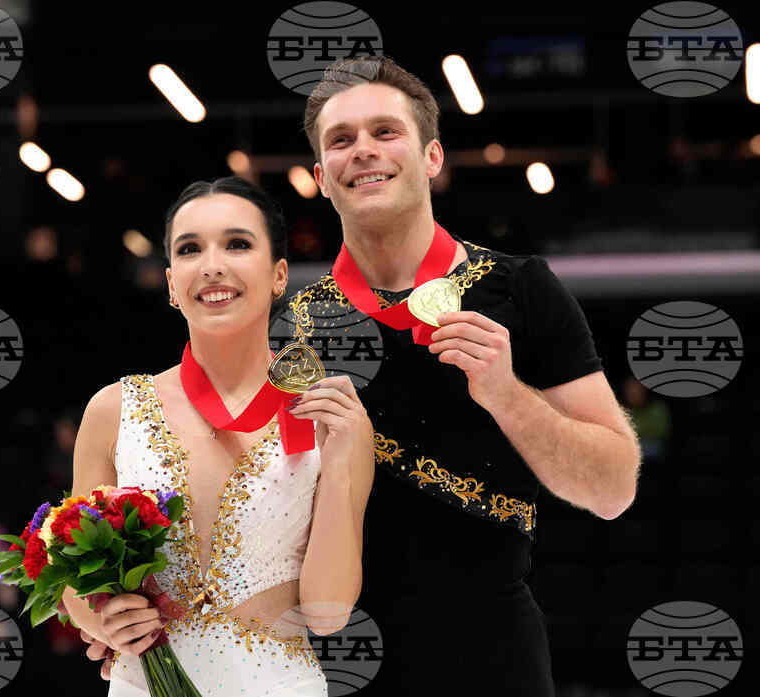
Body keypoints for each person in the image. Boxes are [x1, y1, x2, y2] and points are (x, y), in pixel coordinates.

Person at [274, 55, 642, 695]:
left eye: (385, 131)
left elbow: (612, 489)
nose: (363, 150)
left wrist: (507, 395)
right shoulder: (291, 327)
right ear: (321, 178)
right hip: (334, 660)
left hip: (493, 654)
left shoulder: (523, 289)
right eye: (341, 139)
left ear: (433, 157)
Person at [63, 176, 375, 696]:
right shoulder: (113, 409)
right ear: (171, 283)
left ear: (279, 274)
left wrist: (342, 461)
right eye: (190, 249)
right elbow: (75, 580)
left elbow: (327, 614)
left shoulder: (331, 417)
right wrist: (102, 621)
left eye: (237, 244)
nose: (211, 265)